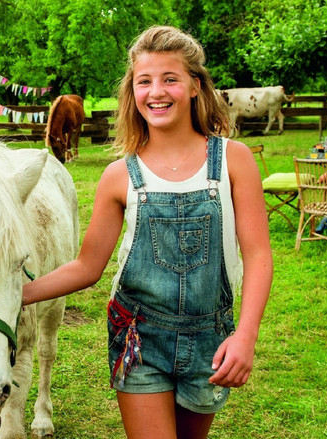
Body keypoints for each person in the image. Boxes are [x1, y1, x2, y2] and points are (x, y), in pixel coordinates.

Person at [22, 25, 272, 439]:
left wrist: (246, 335)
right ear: (132, 91)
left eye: (170, 79)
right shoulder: (119, 175)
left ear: (195, 86)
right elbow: (87, 266)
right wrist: (18, 293)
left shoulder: (234, 160)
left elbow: (259, 255)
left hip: (210, 339)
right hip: (138, 337)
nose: (156, 92)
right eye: (144, 81)